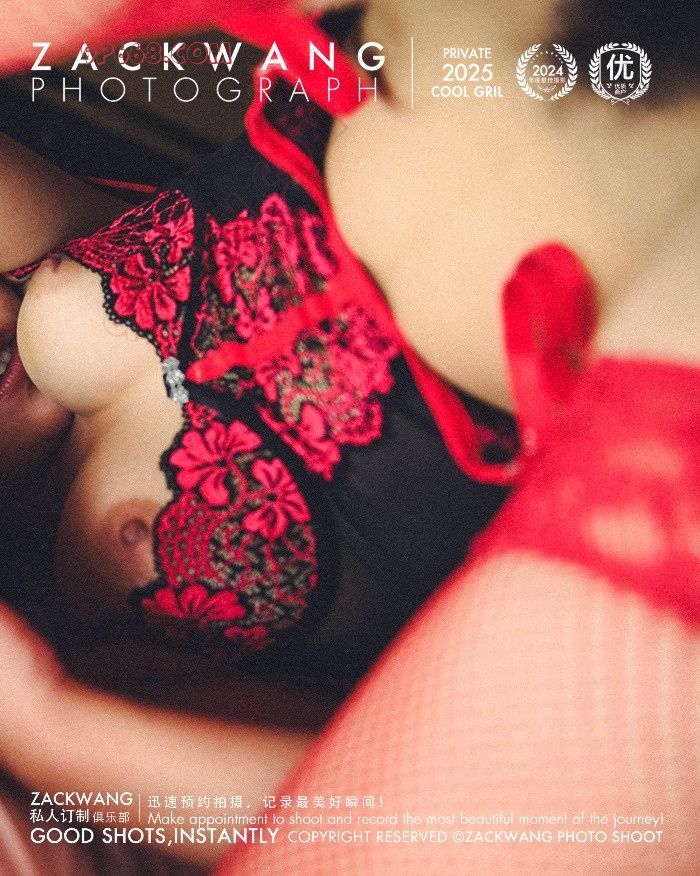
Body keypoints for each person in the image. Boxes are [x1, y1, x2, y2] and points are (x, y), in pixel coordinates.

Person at [0, 0, 697, 872]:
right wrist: (42, 722)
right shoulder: (87, 639)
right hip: (644, 273)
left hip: (481, 49)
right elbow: (376, 806)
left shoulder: (42, 265)